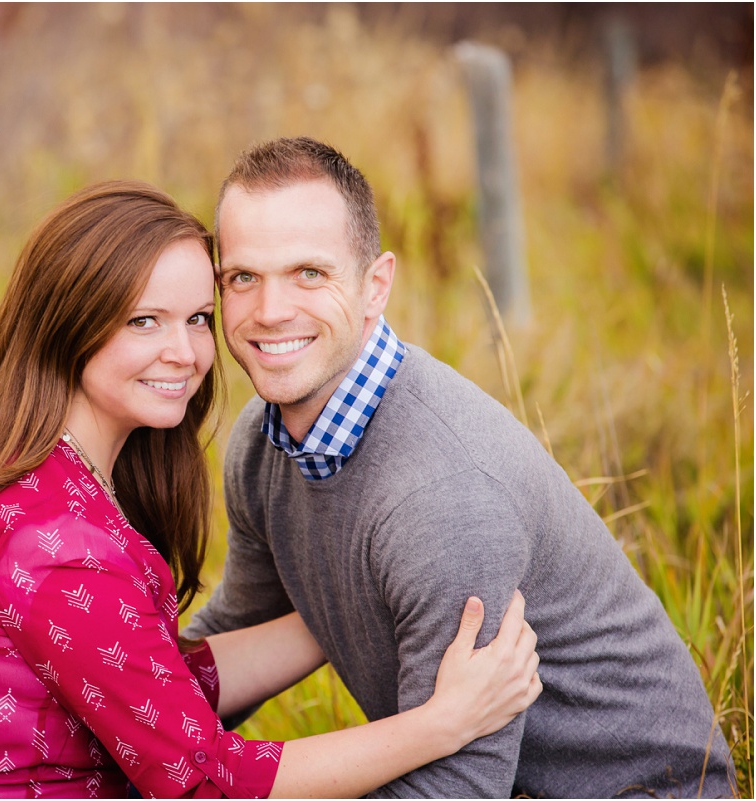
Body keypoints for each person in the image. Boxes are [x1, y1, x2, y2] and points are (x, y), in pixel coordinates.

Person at [0, 180, 542, 799]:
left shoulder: (5, 465)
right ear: (69, 324)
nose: (186, 353)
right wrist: (442, 723)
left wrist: (349, 600)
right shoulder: (56, 544)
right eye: (143, 322)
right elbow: (208, 779)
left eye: (197, 318)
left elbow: (156, 686)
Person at [184, 137, 738, 798]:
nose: (270, 311)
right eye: (244, 277)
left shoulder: (442, 495)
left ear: (375, 285)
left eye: (309, 273)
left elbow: (458, 786)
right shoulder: (261, 445)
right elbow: (238, 636)